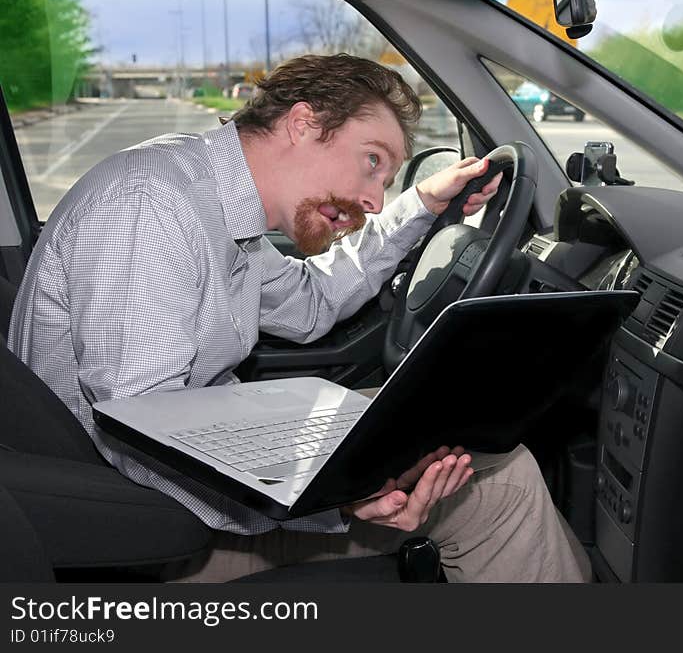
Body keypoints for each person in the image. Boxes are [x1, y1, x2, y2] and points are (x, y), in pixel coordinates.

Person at [8, 54, 592, 582]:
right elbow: (142, 432)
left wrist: (422, 205)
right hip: (146, 526)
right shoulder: (151, 206)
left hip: (173, 478)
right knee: (503, 480)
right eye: (372, 162)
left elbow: (311, 302)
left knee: (439, 432)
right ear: (303, 123)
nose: (372, 200)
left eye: (386, 182)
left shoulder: (210, 204)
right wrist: (332, 502)